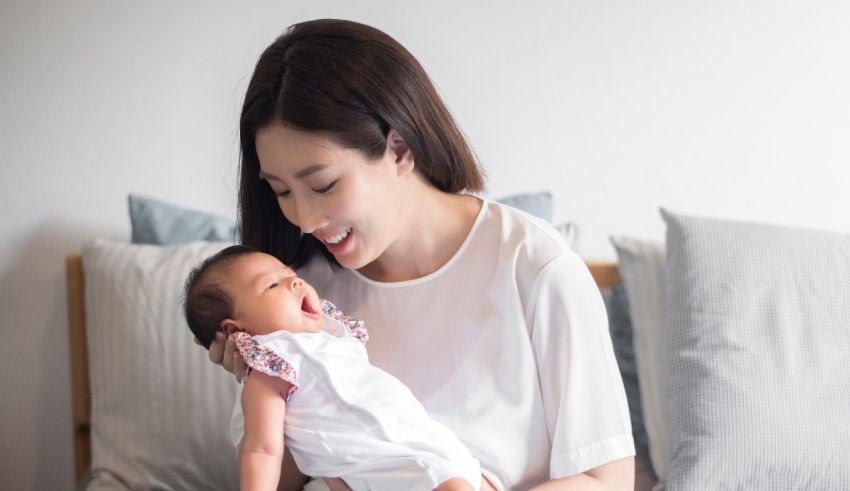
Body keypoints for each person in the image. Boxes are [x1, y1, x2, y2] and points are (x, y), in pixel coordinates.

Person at [204, 18, 635, 491]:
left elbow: (604, 478)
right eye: (282, 191)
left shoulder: (532, 266)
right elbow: (282, 478)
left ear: (399, 149)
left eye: (323, 185)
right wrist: (260, 383)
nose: (304, 220)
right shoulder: (297, 295)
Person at [183, 245, 482, 491]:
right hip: (384, 465)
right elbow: (261, 449)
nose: (294, 282)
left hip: (425, 442)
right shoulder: (272, 369)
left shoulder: (332, 336)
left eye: (289, 273)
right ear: (236, 330)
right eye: (272, 285)